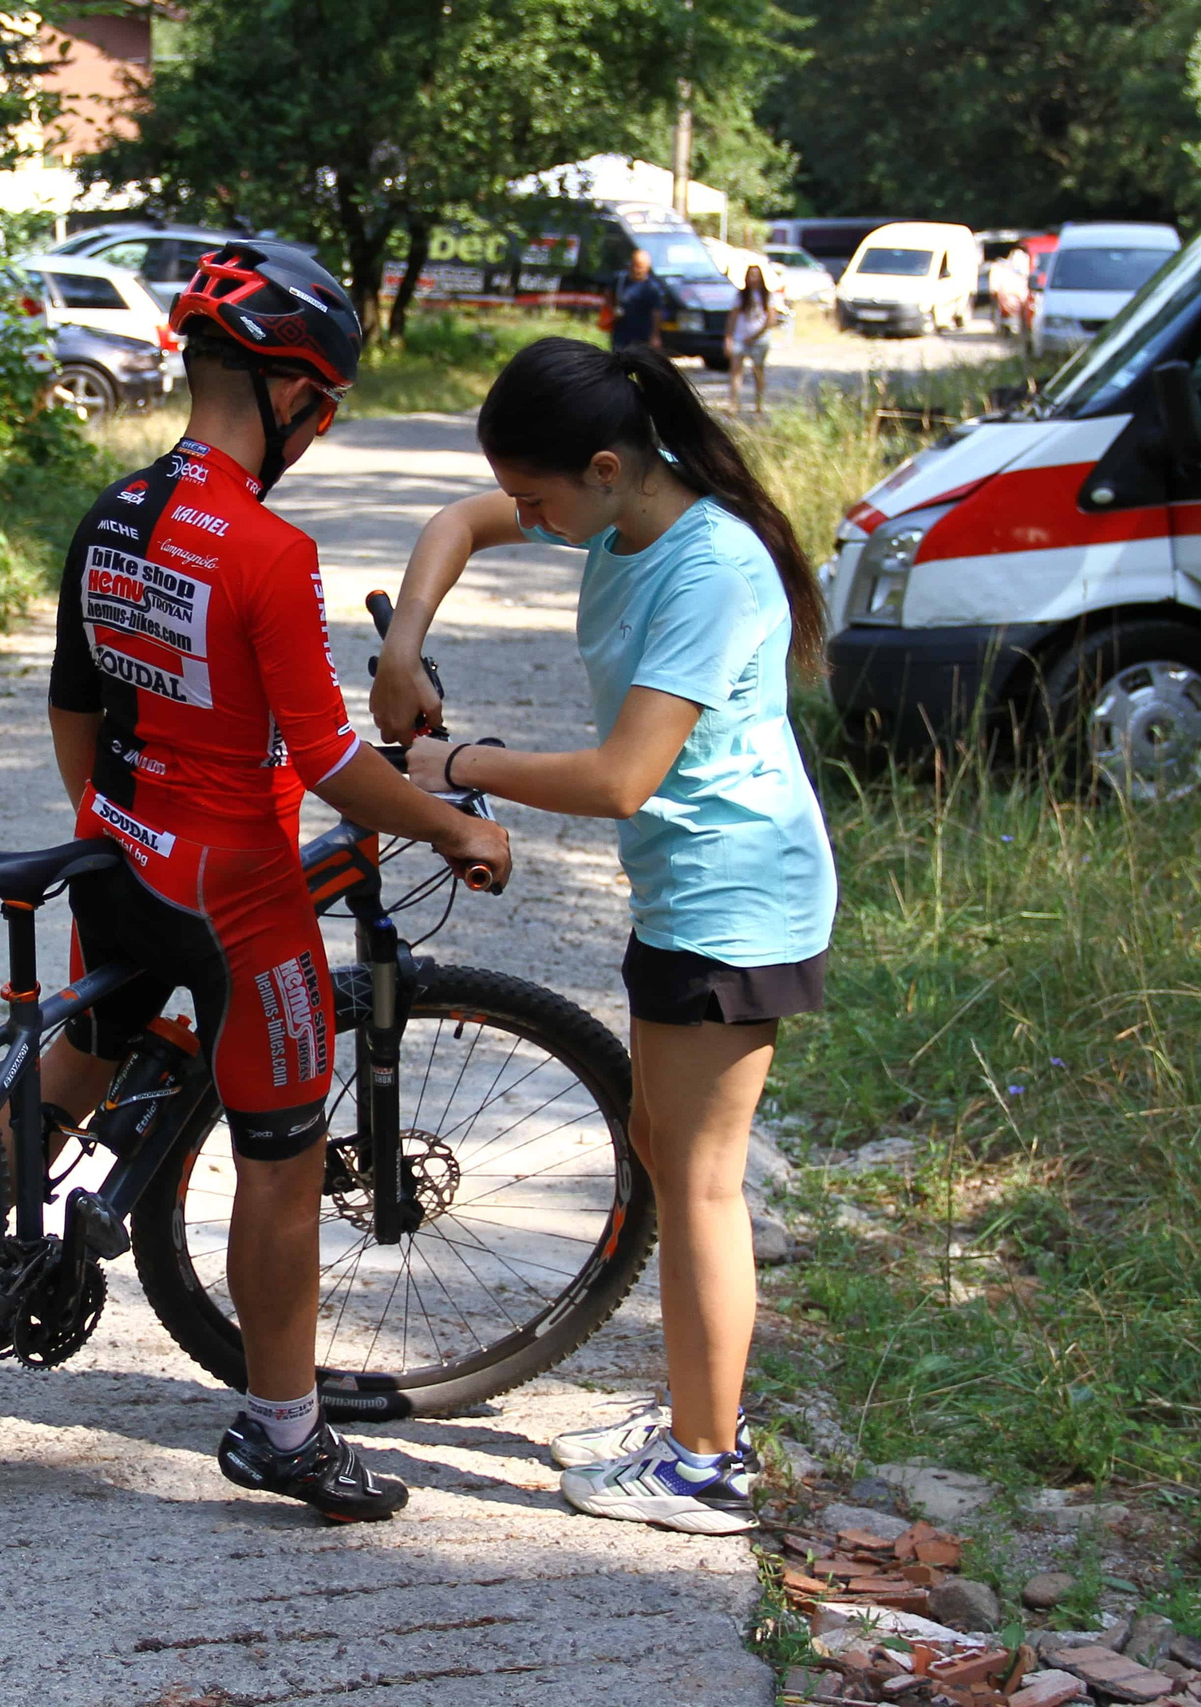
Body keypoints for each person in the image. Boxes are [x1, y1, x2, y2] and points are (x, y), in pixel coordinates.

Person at [0, 240, 512, 1524]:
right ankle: (283, 1433)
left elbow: (77, 708)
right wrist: (456, 829)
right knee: (283, 1164)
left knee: (83, 1056)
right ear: (297, 396)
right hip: (234, 895)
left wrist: (122, 821)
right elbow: (337, 765)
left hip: (116, 854)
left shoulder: (113, 511)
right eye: (325, 407)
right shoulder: (266, 553)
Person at [368, 338, 836, 1535]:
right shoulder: (623, 512)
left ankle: (706, 1460)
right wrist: (403, 645)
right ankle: (695, 1407)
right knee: (658, 1140)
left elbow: (625, 777)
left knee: (700, 1183)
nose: (523, 516)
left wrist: (454, 763)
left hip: (735, 895)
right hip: (686, 888)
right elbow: (455, 525)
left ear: (609, 466)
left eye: (539, 501)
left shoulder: (708, 569)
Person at [724, 271, 779, 416]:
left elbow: (771, 320)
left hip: (760, 340)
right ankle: (733, 404)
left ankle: (759, 404)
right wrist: (728, 337)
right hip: (740, 338)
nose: (753, 278)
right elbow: (733, 317)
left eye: (756, 275)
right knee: (735, 371)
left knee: (758, 372)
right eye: (750, 275)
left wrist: (755, 336)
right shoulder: (741, 295)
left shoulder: (767, 296)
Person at [611, 247, 681, 354]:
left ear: (647, 268)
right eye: (635, 265)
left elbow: (656, 313)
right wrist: (612, 309)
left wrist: (655, 336)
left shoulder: (651, 288)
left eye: (640, 267)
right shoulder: (620, 280)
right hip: (621, 334)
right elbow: (609, 294)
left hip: (642, 335)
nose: (636, 270)